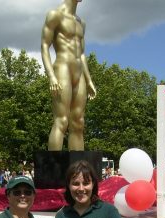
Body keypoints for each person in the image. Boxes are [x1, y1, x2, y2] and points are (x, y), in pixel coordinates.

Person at [41, 0, 96, 151]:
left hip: (79, 73)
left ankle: (78, 172)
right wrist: (51, 76)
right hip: (62, 68)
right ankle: (53, 171)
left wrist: (89, 80)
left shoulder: (81, 23)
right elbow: (45, 46)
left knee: (78, 122)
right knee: (61, 120)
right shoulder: (55, 15)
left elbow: (82, 54)